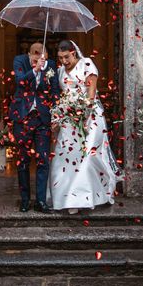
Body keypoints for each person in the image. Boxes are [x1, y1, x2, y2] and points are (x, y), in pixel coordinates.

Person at [49, 40, 121, 213]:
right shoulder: (59, 71)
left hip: (90, 117)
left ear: (74, 52)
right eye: (60, 58)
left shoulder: (86, 64)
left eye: (66, 57)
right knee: (65, 155)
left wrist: (84, 111)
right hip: (68, 118)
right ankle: (67, 198)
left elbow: (91, 91)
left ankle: (84, 197)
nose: (64, 61)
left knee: (89, 155)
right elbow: (62, 95)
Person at [9, 42, 60, 213]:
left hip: (42, 119)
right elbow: (20, 82)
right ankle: (24, 200)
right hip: (22, 117)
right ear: (29, 54)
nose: (39, 57)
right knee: (23, 160)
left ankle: (40, 201)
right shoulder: (19, 61)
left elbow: (54, 91)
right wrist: (35, 70)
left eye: (42, 54)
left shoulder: (51, 66)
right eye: (35, 54)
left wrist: (56, 114)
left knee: (43, 160)